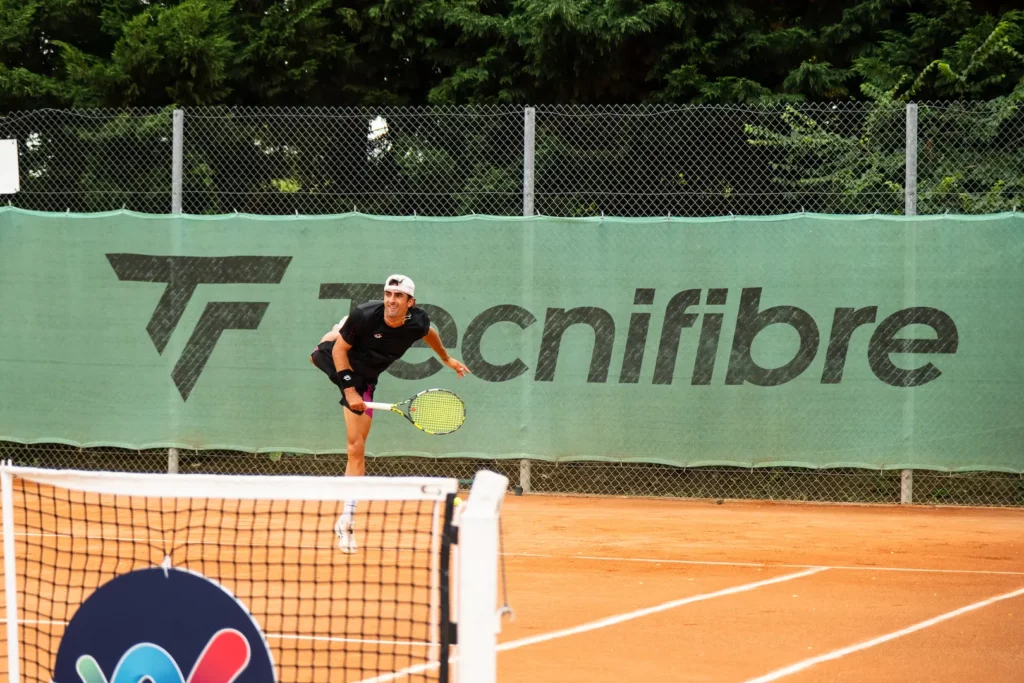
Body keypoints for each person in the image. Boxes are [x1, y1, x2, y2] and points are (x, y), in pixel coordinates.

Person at [309, 274, 470, 553]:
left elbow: (430, 333)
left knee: (357, 446)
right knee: (356, 447)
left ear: (410, 302)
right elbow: (339, 352)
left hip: (369, 375)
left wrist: (446, 358)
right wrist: (350, 392)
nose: (391, 300)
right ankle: (347, 521)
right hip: (343, 361)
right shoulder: (366, 315)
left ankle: (340, 330)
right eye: (388, 294)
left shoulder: (417, 321)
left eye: (398, 296)